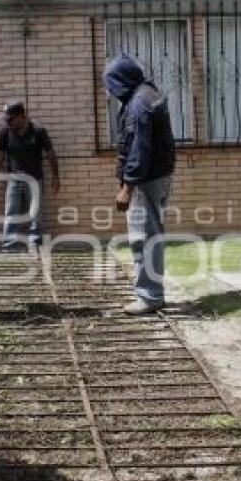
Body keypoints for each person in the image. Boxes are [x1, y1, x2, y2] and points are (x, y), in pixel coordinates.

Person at [104, 54, 176, 315]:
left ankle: (149, 296)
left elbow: (139, 148)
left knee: (144, 238)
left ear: (121, 81)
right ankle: (150, 291)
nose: (110, 91)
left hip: (147, 179)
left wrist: (127, 186)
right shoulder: (147, 92)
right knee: (150, 235)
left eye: (111, 84)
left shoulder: (139, 104)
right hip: (158, 175)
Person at [0, 101, 60, 250]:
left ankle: (35, 243)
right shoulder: (5, 132)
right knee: (11, 212)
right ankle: (9, 244)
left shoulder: (38, 131)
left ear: (22, 117)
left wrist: (56, 177)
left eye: (10, 119)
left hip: (35, 178)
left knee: (35, 213)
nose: (7, 122)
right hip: (14, 178)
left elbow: (50, 154)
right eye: (6, 120)